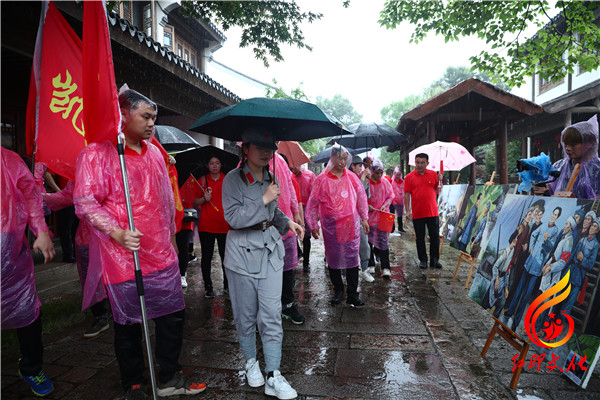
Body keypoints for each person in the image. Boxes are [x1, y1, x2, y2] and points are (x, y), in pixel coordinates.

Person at [74, 88, 205, 399]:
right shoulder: (97, 154)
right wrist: (116, 232)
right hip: (123, 256)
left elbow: (164, 200)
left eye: (154, 118)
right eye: (146, 116)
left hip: (160, 252)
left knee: (172, 316)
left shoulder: (156, 154)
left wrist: (172, 240)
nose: (151, 124)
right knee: (128, 324)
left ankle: (169, 376)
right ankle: (133, 382)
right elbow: (84, 201)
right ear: (123, 114)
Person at [221, 128, 304, 400]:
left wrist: (286, 221)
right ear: (245, 149)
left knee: (270, 313)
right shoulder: (232, 180)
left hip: (269, 251)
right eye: (259, 145)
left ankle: (273, 374)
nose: (266, 150)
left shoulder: (271, 176)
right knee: (246, 315)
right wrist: (263, 199)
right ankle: (250, 362)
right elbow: (233, 218)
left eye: (270, 145)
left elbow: (273, 210)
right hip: (242, 255)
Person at [2, 148, 56, 397]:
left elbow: (31, 194)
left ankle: (31, 367)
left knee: (27, 312)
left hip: (10, 252)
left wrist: (41, 230)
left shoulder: (9, 159)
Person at [45, 181, 110, 338]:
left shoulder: (116, 170)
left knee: (111, 276)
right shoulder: (80, 177)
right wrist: (42, 197)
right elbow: (67, 196)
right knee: (90, 277)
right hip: (88, 237)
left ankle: (113, 313)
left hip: (110, 234)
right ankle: (100, 315)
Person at [306, 145, 369, 307]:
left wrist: (364, 218)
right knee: (333, 258)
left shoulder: (352, 178)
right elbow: (313, 203)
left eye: (344, 158)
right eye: (339, 158)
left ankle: (353, 294)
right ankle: (338, 291)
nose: (342, 162)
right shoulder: (322, 179)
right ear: (332, 158)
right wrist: (313, 224)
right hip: (331, 226)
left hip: (350, 225)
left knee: (352, 258)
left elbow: (361, 198)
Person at [504, 206, 562, 331]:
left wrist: (546, 241)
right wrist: (531, 247)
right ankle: (510, 312)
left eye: (556, 215)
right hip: (529, 262)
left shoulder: (555, 231)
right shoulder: (544, 224)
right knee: (519, 289)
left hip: (537, 266)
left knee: (526, 296)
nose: (554, 216)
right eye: (553, 213)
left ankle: (516, 321)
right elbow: (534, 234)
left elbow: (549, 249)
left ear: (558, 217)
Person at [271, 151, 304, 325]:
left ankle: (288, 304)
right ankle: (267, 309)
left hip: (286, 221)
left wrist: (296, 212)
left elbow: (290, 187)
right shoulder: (244, 167)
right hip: (263, 229)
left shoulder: (281, 162)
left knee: (287, 267)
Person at [539, 114, 600, 199]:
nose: (568, 148)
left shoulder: (597, 169)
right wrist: (544, 192)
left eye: (573, 145)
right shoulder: (559, 166)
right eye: (566, 144)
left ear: (590, 143)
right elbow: (550, 191)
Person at [197, 156, 230, 298]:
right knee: (206, 257)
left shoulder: (228, 180)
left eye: (217, 163)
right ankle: (208, 286)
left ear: (221, 164)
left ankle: (228, 285)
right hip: (206, 225)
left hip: (225, 225)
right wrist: (204, 199)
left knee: (226, 257)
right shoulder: (202, 181)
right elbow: (194, 201)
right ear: (207, 165)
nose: (215, 166)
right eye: (211, 163)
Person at [403, 153, 443, 269]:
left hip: (432, 212)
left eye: (422, 162)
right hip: (418, 212)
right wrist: (408, 211)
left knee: (435, 237)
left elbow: (437, 190)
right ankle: (423, 260)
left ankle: (435, 260)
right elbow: (406, 194)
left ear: (427, 163)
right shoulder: (409, 177)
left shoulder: (433, 174)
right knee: (420, 238)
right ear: (414, 163)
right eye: (417, 162)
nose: (419, 165)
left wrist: (440, 181)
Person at [558, 217, 600, 316]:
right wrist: (564, 268)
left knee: (567, 307)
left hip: (578, 277)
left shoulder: (595, 245)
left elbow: (590, 264)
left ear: (597, 230)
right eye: (592, 225)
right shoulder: (582, 239)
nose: (592, 228)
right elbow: (572, 255)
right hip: (569, 271)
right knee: (558, 297)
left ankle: (557, 328)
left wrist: (582, 259)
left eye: (595, 226)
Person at [367, 159, 394, 278]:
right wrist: (367, 206)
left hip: (382, 216)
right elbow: (360, 198)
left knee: (384, 242)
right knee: (368, 241)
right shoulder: (365, 183)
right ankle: (370, 264)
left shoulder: (385, 183)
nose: (378, 175)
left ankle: (386, 267)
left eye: (380, 173)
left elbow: (390, 196)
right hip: (369, 217)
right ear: (371, 171)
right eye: (376, 172)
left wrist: (385, 205)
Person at [349, 155, 374, 282]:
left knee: (364, 243)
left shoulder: (359, 178)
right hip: (348, 217)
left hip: (359, 216)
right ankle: (345, 273)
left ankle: (364, 269)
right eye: (359, 166)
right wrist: (363, 178)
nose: (360, 169)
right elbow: (354, 193)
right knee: (348, 246)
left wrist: (366, 181)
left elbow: (365, 196)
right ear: (353, 165)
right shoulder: (347, 177)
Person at [290, 164, 316, 273]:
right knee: (291, 233)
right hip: (293, 207)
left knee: (306, 236)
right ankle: (298, 253)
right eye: (291, 168)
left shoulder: (310, 175)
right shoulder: (291, 177)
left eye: (294, 167)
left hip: (307, 207)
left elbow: (314, 194)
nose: (293, 169)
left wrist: (314, 212)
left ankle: (306, 262)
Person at [391, 167, 406, 233]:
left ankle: (400, 227)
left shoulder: (402, 182)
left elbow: (403, 191)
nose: (398, 176)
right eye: (397, 174)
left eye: (399, 175)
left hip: (400, 201)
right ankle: (392, 228)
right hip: (393, 201)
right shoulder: (392, 181)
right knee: (392, 215)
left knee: (400, 215)